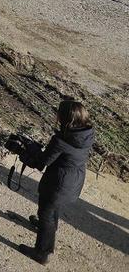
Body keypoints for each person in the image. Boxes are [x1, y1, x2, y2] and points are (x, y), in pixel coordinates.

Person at [19, 99, 94, 265]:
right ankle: (49, 228)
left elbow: (42, 163)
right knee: (53, 209)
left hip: (57, 184)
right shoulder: (85, 134)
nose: (57, 116)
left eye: (59, 114)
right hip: (74, 181)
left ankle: (41, 253)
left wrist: (24, 153)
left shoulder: (60, 141)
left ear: (66, 119)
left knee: (45, 213)